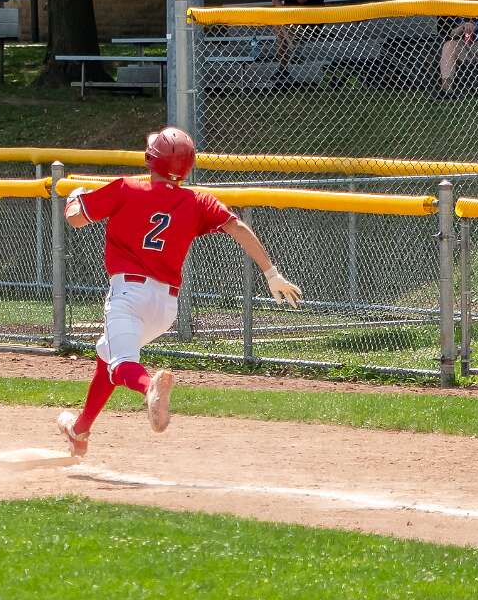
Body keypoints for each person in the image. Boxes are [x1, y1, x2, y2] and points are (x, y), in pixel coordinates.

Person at [55, 127, 303, 457]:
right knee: (106, 355)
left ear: (150, 159)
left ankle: (148, 388)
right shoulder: (197, 201)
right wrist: (271, 273)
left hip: (128, 295)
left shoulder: (127, 188)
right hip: (165, 308)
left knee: (121, 364)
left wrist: (74, 198)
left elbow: (76, 219)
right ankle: (80, 431)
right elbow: (238, 227)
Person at [270, 0, 325, 81]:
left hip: (310, 23)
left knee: (280, 25)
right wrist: (280, 9)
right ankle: (291, 49)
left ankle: (283, 69)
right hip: (289, 22)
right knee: (278, 22)